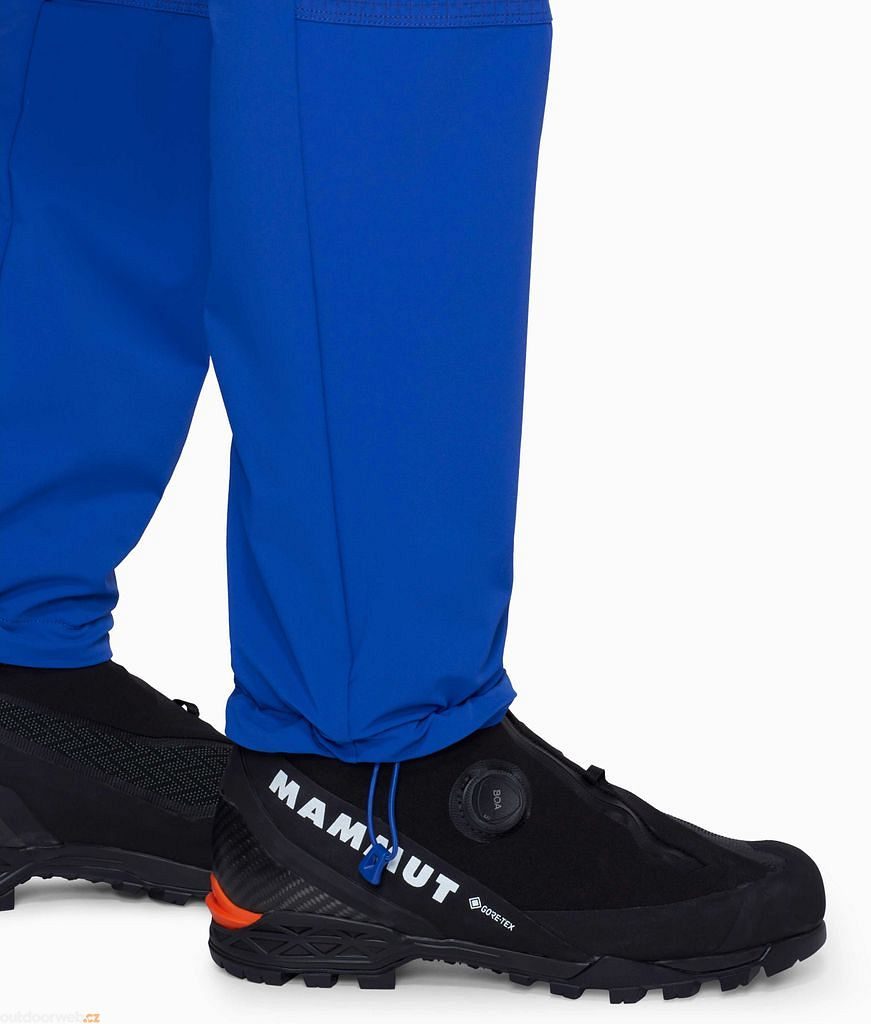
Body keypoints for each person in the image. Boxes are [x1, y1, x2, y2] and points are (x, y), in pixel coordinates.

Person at [0, 0, 825, 1001]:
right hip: (368, 768)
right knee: (373, 26)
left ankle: (20, 667)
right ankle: (364, 761)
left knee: (99, 29)